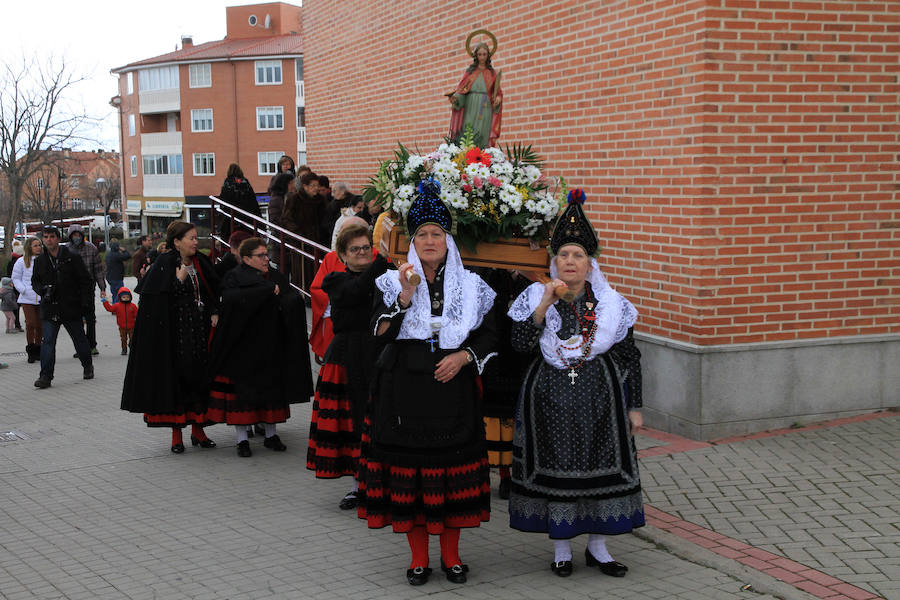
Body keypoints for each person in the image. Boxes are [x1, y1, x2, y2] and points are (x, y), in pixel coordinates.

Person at [357, 179, 497, 586]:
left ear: (448, 241)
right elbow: (377, 332)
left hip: (454, 390)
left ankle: (452, 557)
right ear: (412, 243)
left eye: (437, 234)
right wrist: (404, 296)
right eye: (422, 235)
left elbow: (490, 336)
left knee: (451, 476)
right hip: (404, 392)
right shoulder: (389, 280)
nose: (430, 241)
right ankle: (419, 559)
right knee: (412, 479)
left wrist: (463, 356)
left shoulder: (472, 285)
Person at [507, 190, 644, 578]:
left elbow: (630, 356)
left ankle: (599, 548)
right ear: (555, 261)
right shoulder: (536, 296)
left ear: (589, 263)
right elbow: (519, 345)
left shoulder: (611, 304)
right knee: (557, 468)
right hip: (547, 399)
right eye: (564, 255)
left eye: (578, 255)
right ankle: (562, 550)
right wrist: (545, 304)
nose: (570, 261)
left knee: (601, 469)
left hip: (602, 400)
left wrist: (635, 406)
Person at [207, 237, 313, 457]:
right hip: (242, 347)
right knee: (242, 396)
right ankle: (242, 440)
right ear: (246, 258)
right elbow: (231, 300)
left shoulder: (275, 276)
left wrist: (285, 301)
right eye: (261, 255)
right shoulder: (234, 276)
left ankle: (271, 435)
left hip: (270, 345)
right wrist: (265, 291)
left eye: (267, 254)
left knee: (270, 392)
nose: (266, 259)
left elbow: (290, 299)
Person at [307, 223, 388, 508]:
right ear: (342, 255)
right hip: (347, 357)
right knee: (353, 424)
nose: (363, 252)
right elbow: (356, 292)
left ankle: (381, 483)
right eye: (355, 249)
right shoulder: (335, 280)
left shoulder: (385, 275)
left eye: (366, 247)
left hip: (379, 354)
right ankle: (357, 486)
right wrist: (381, 262)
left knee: (379, 421)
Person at [120, 221, 219, 453]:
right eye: (191, 238)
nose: (195, 242)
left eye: (196, 238)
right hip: (175, 337)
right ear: (177, 242)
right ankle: (177, 435)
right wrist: (178, 280)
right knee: (177, 382)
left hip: (199, 333)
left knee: (199, 380)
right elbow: (156, 301)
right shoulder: (165, 264)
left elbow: (213, 290)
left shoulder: (200, 262)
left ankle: (199, 430)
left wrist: (214, 310)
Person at [479, 269, 532, 499]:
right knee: (490, 416)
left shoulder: (529, 279)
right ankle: (487, 472)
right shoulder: (488, 275)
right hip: (493, 356)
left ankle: (509, 475)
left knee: (513, 416)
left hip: (520, 359)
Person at [30, 226, 95, 389]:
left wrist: (85, 303)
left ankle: (87, 365)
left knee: (79, 338)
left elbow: (85, 280)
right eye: (46, 237)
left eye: (52, 237)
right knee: (48, 342)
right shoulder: (40, 260)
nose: (49, 240)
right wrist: (43, 290)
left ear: (58, 239)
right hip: (50, 307)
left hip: (70, 306)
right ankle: (45, 376)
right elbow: (35, 281)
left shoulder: (71, 257)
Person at [308, 216, 371, 361]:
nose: (362, 252)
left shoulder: (374, 257)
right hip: (338, 325)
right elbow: (317, 289)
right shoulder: (331, 258)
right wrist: (338, 297)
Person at [448, 41, 503, 148]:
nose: (482, 57)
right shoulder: (470, 72)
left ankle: (482, 156)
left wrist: (498, 98)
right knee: (468, 131)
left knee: (483, 132)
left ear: (488, 55)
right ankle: (466, 155)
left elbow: (498, 92)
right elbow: (462, 90)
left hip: (486, 106)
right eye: (479, 54)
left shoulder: (492, 73)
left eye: (484, 54)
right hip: (471, 105)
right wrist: (456, 99)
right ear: (476, 56)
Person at [66, 224, 105, 354]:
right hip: (72, 289)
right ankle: (81, 346)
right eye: (74, 235)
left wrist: (102, 287)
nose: (76, 237)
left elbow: (98, 270)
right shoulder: (66, 250)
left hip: (88, 288)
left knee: (90, 318)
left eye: (78, 235)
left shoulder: (91, 248)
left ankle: (92, 344)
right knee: (76, 319)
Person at [12, 237, 43, 363]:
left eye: (39, 245)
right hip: (26, 298)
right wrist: (23, 290)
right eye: (35, 245)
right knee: (31, 323)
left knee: (40, 325)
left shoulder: (43, 260)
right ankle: (31, 349)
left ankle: (38, 349)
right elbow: (15, 278)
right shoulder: (21, 261)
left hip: (41, 297)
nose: (38, 247)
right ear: (29, 247)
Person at [219, 163, 261, 240]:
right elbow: (252, 198)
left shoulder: (228, 182)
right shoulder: (245, 182)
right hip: (246, 214)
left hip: (233, 214)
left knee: (228, 234)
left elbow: (223, 198)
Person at [102, 287, 138, 355]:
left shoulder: (133, 306)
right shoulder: (117, 306)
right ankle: (124, 349)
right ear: (120, 297)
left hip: (132, 326)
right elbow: (110, 309)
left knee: (132, 338)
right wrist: (105, 302)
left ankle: (131, 345)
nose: (126, 298)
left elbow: (137, 314)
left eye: (127, 297)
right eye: (124, 297)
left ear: (130, 297)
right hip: (122, 326)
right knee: (123, 339)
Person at [6, 239, 24, 331]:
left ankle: (15, 324)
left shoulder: (10, 262)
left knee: (15, 307)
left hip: (13, 287)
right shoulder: (21, 262)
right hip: (20, 287)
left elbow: (8, 275)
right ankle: (18, 324)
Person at [105, 240, 130, 304]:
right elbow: (127, 256)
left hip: (110, 277)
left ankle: (114, 306)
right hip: (117, 277)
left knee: (114, 293)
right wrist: (124, 250)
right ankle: (116, 306)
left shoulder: (108, 254)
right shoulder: (116, 255)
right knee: (119, 293)